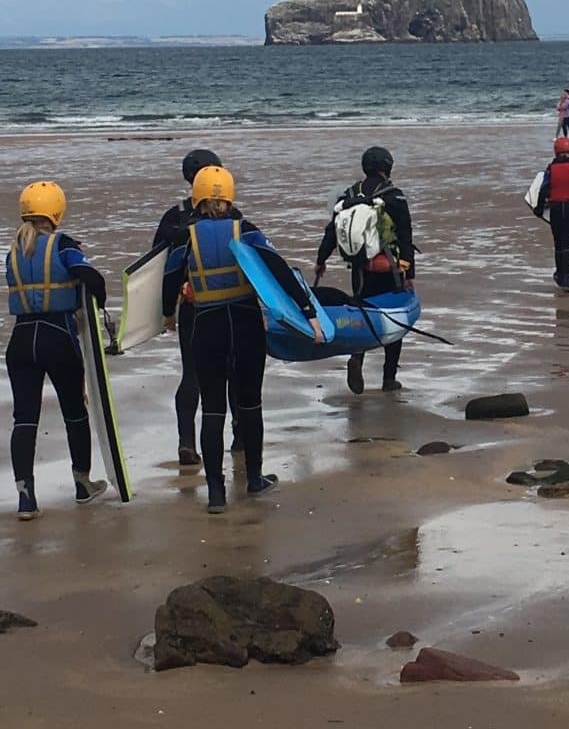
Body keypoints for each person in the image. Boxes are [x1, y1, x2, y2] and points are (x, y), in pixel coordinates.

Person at [162, 165, 322, 514]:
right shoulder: (245, 230)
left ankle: (216, 493)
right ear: (230, 197)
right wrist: (308, 312)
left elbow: (170, 277)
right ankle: (253, 478)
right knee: (250, 404)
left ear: (197, 197)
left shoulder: (185, 237)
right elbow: (279, 269)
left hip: (207, 326)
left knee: (213, 409)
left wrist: (167, 315)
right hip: (246, 323)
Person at [2, 180, 109, 521]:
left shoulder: (13, 250)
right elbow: (91, 278)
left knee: (24, 419)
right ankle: (82, 484)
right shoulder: (63, 246)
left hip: (21, 340)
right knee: (74, 412)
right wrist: (98, 303)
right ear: (56, 211)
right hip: (58, 336)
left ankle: (26, 498)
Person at [314, 145, 416, 395]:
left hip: (360, 268)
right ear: (387, 167)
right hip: (389, 269)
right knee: (394, 318)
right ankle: (389, 379)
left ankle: (357, 358)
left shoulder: (349, 194)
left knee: (363, 312)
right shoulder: (394, 196)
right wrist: (409, 272)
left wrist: (321, 260)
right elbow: (405, 233)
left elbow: (332, 230)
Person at [151, 148, 228, 469]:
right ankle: (239, 439)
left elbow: (158, 264)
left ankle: (186, 442)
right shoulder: (232, 216)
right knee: (232, 374)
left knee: (191, 375)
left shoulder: (174, 217)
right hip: (230, 307)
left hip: (191, 307)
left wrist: (166, 311)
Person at [531, 135, 569, 291]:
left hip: (556, 209)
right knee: (568, 244)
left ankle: (560, 275)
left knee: (559, 244)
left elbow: (544, 190)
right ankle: (565, 280)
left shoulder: (550, 169)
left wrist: (539, 208)